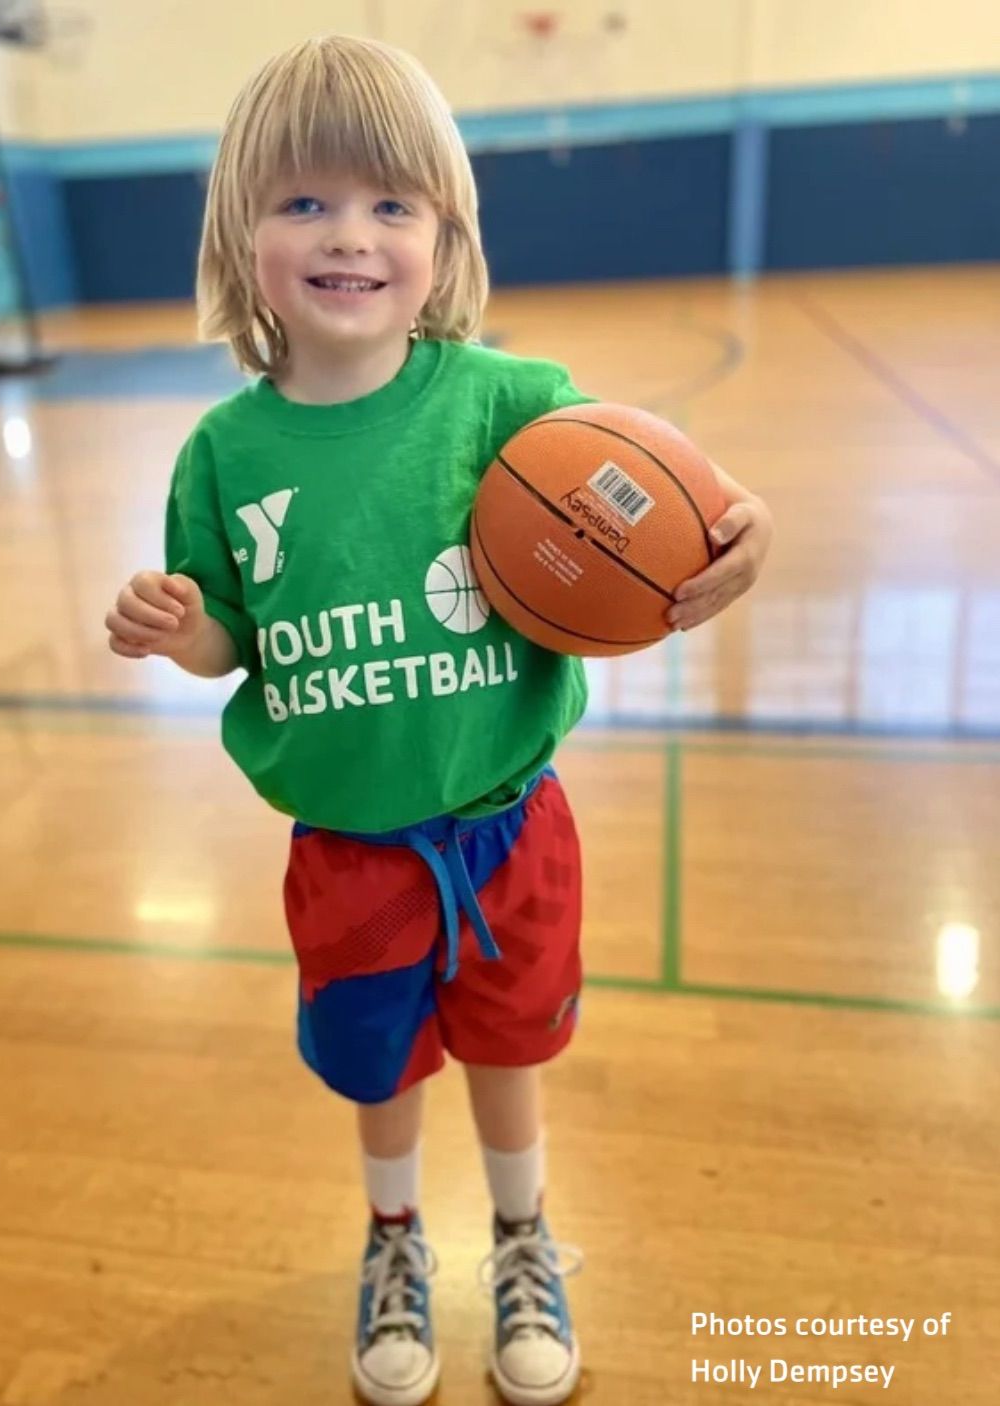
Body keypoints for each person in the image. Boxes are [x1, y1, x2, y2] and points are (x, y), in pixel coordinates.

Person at [104, 33, 773, 1406]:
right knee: (381, 1060)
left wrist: (731, 546)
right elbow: (241, 644)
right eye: (304, 203)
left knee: (509, 1048)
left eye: (388, 204)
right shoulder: (224, 454)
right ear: (243, 232)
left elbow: (658, 523)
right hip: (347, 848)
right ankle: (396, 1235)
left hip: (508, 828)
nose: (348, 235)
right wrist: (189, 636)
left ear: (444, 230)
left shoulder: (515, 406)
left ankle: (523, 1233)